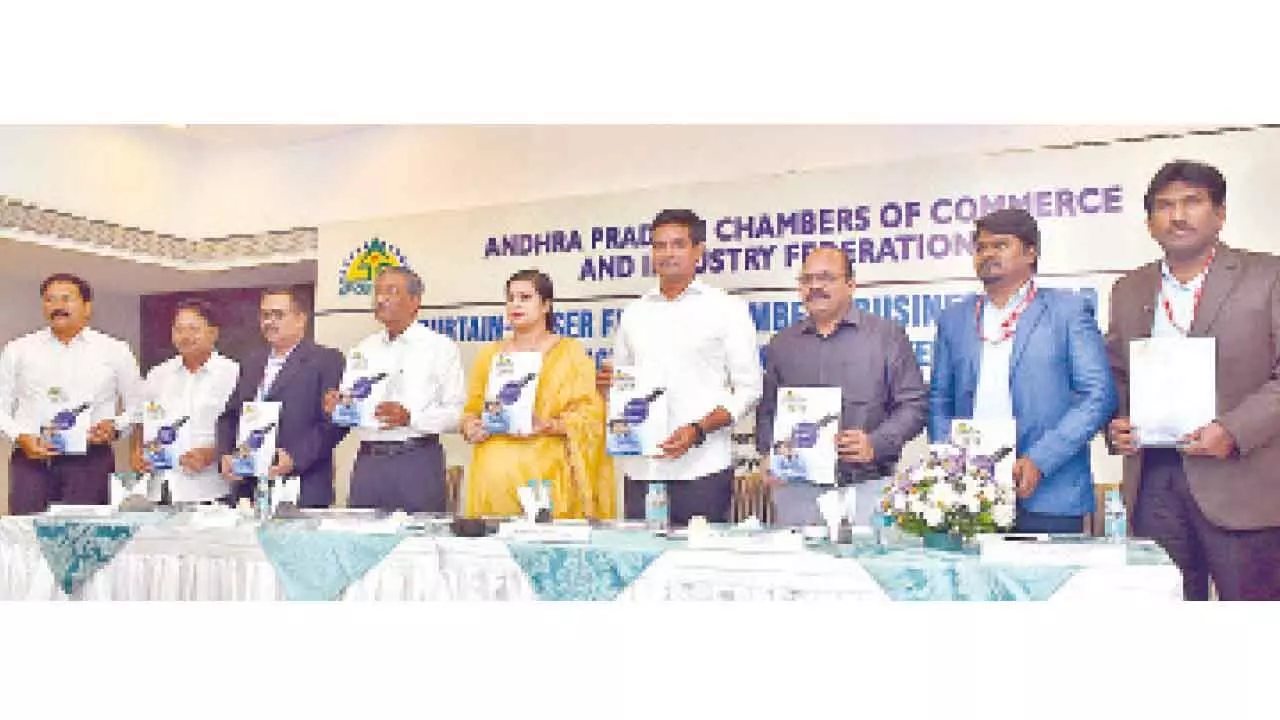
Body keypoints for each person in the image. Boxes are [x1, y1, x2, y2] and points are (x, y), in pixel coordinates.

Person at [1106, 160, 1280, 600]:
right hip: (1155, 480)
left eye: (1192, 202)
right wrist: (1115, 423)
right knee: (1166, 613)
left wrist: (1234, 431)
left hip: (1242, 480)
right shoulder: (1129, 288)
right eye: (1164, 206)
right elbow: (1116, 372)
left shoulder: (1268, 276)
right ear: (1149, 223)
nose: (1177, 215)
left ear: (1220, 214)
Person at [930, 208, 1116, 533]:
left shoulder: (1067, 311)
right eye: (980, 247)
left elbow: (1097, 396)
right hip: (970, 495)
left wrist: (1041, 460)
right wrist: (950, 466)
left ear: (1031, 252)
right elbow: (939, 400)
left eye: (1000, 245)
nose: (987, 254)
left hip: (1050, 492)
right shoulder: (954, 319)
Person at [597, 209, 763, 526]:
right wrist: (609, 389)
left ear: (698, 251)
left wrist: (698, 430)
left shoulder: (726, 309)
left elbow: (749, 388)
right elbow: (622, 383)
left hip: (702, 469)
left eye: (678, 244)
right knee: (642, 568)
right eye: (659, 246)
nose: (667, 253)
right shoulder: (634, 314)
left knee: (699, 570)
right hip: (642, 470)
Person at [757, 247, 927, 526]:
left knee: (863, 568)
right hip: (796, 491)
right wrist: (769, 454)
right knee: (797, 569)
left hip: (866, 487)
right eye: (807, 279)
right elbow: (768, 411)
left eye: (826, 278)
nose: (815, 286)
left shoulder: (886, 337)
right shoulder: (782, 344)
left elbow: (914, 405)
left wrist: (875, 443)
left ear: (851, 284)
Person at [462, 269, 614, 519]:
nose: (515, 304)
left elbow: (591, 416)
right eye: (510, 298)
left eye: (525, 297)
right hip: (492, 482)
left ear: (546, 305)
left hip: (547, 481)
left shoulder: (569, 353)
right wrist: (470, 426)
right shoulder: (490, 355)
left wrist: (548, 424)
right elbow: (472, 408)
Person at [322, 266, 465, 513]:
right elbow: (351, 404)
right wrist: (338, 406)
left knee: (419, 545)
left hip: (416, 461)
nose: (380, 299)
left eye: (391, 291)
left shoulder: (440, 348)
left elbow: (457, 413)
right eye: (377, 292)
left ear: (414, 301)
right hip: (369, 462)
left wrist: (411, 418)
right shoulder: (363, 349)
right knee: (363, 543)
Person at [0, 273, 144, 514]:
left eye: (66, 299)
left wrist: (116, 427)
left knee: (84, 536)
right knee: (26, 535)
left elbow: (138, 405)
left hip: (90, 460)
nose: (57, 306)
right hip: (32, 459)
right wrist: (19, 436)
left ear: (87, 307)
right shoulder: (19, 349)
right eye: (49, 300)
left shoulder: (115, 350)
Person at [218, 286, 345, 508]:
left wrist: (294, 457)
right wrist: (226, 454)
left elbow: (335, 422)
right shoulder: (251, 362)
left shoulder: (325, 360)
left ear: (300, 319)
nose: (269, 322)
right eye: (265, 315)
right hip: (250, 487)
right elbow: (230, 417)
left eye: (278, 315)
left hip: (302, 484)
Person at [131, 298, 240, 504]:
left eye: (194, 329)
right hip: (161, 489)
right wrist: (137, 451)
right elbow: (141, 419)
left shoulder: (234, 374)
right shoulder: (158, 374)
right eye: (179, 329)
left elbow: (242, 426)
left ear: (213, 333)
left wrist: (214, 452)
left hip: (212, 489)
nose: (186, 336)